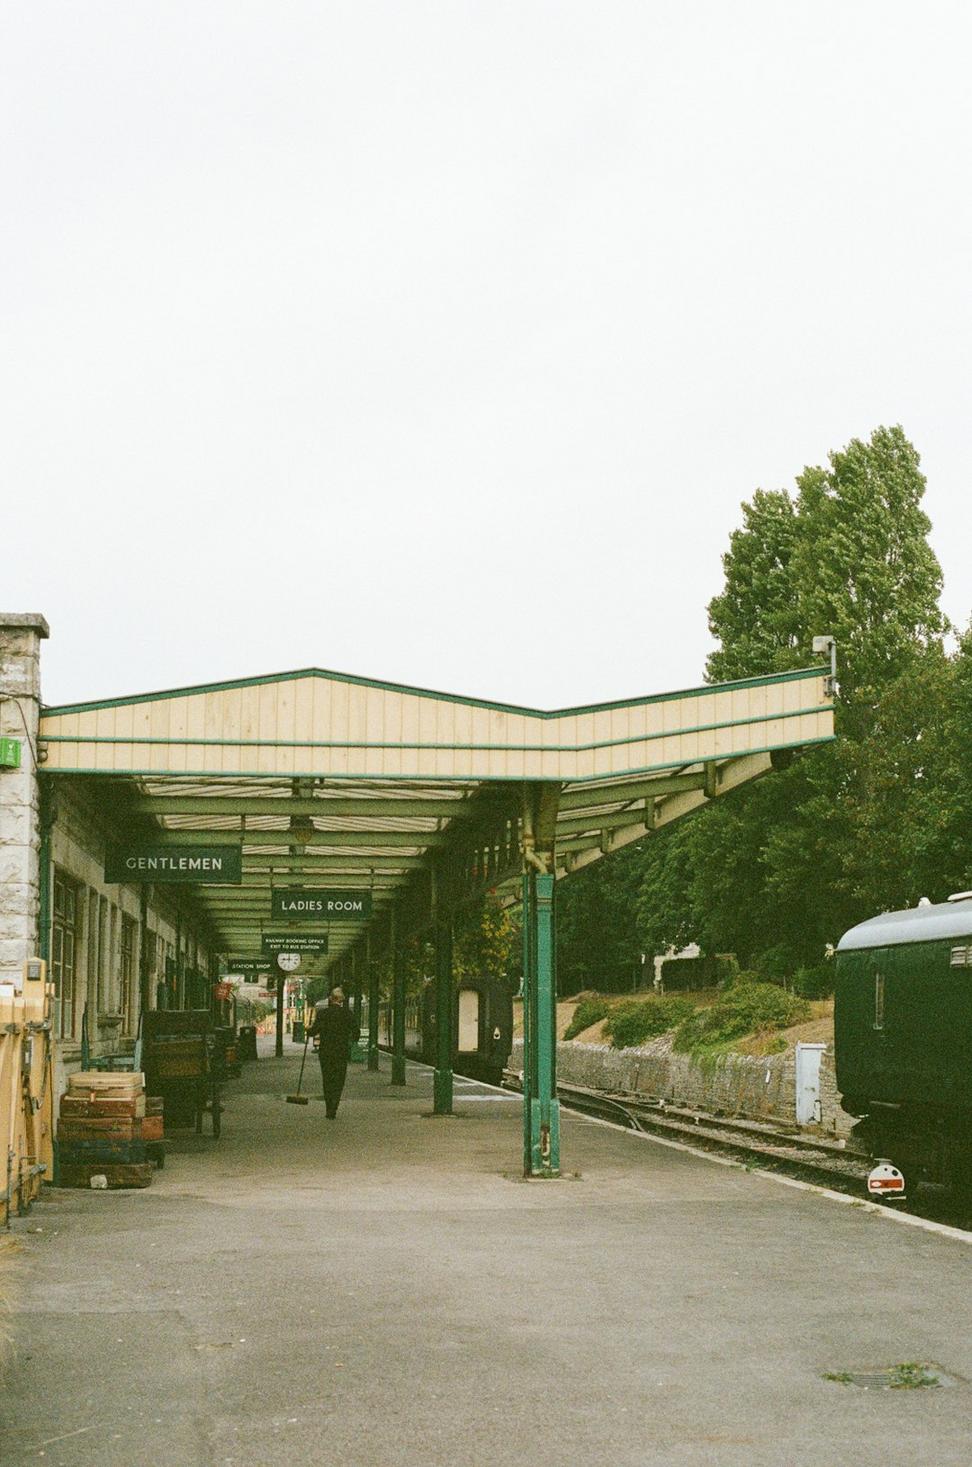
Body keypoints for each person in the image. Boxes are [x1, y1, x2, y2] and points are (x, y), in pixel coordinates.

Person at [307, 987, 359, 1118]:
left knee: (327, 1079)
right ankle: (334, 1106)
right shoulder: (347, 1014)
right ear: (341, 1000)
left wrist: (308, 1029)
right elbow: (356, 1033)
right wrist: (350, 1040)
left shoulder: (323, 1014)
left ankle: (328, 1108)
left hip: (326, 1052)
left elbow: (313, 1032)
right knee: (339, 1080)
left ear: (331, 998)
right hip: (341, 1052)